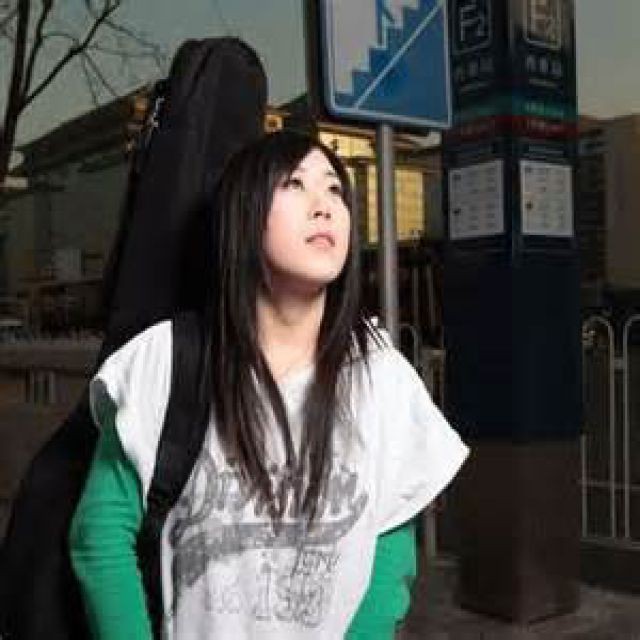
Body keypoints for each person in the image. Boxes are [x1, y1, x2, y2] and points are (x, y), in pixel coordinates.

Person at [69, 130, 468, 640]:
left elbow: (390, 557)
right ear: (243, 213)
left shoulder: (381, 376)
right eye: (295, 184)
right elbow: (100, 535)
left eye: (335, 190)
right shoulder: (168, 361)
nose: (324, 206)